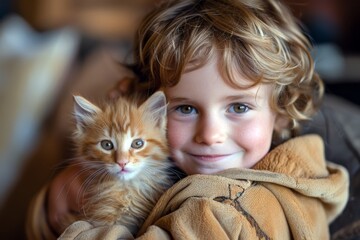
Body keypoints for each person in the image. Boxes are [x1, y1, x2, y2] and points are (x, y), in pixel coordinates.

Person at [26, 0, 350, 239]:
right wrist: (71, 186)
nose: (210, 135)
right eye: (186, 109)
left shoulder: (239, 207)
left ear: (280, 112)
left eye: (238, 107)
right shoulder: (178, 168)